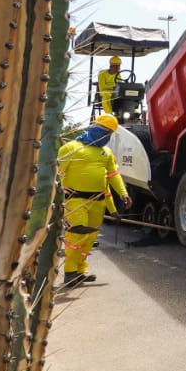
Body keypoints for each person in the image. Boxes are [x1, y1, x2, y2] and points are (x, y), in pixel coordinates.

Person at [57, 113, 132, 289]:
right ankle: (70, 272)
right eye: (108, 133)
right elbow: (56, 173)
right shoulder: (71, 148)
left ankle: (80, 271)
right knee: (77, 235)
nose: (108, 138)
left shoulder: (107, 153)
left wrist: (123, 194)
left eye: (110, 135)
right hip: (76, 200)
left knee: (90, 238)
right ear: (99, 130)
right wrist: (59, 191)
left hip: (98, 201)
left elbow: (113, 175)